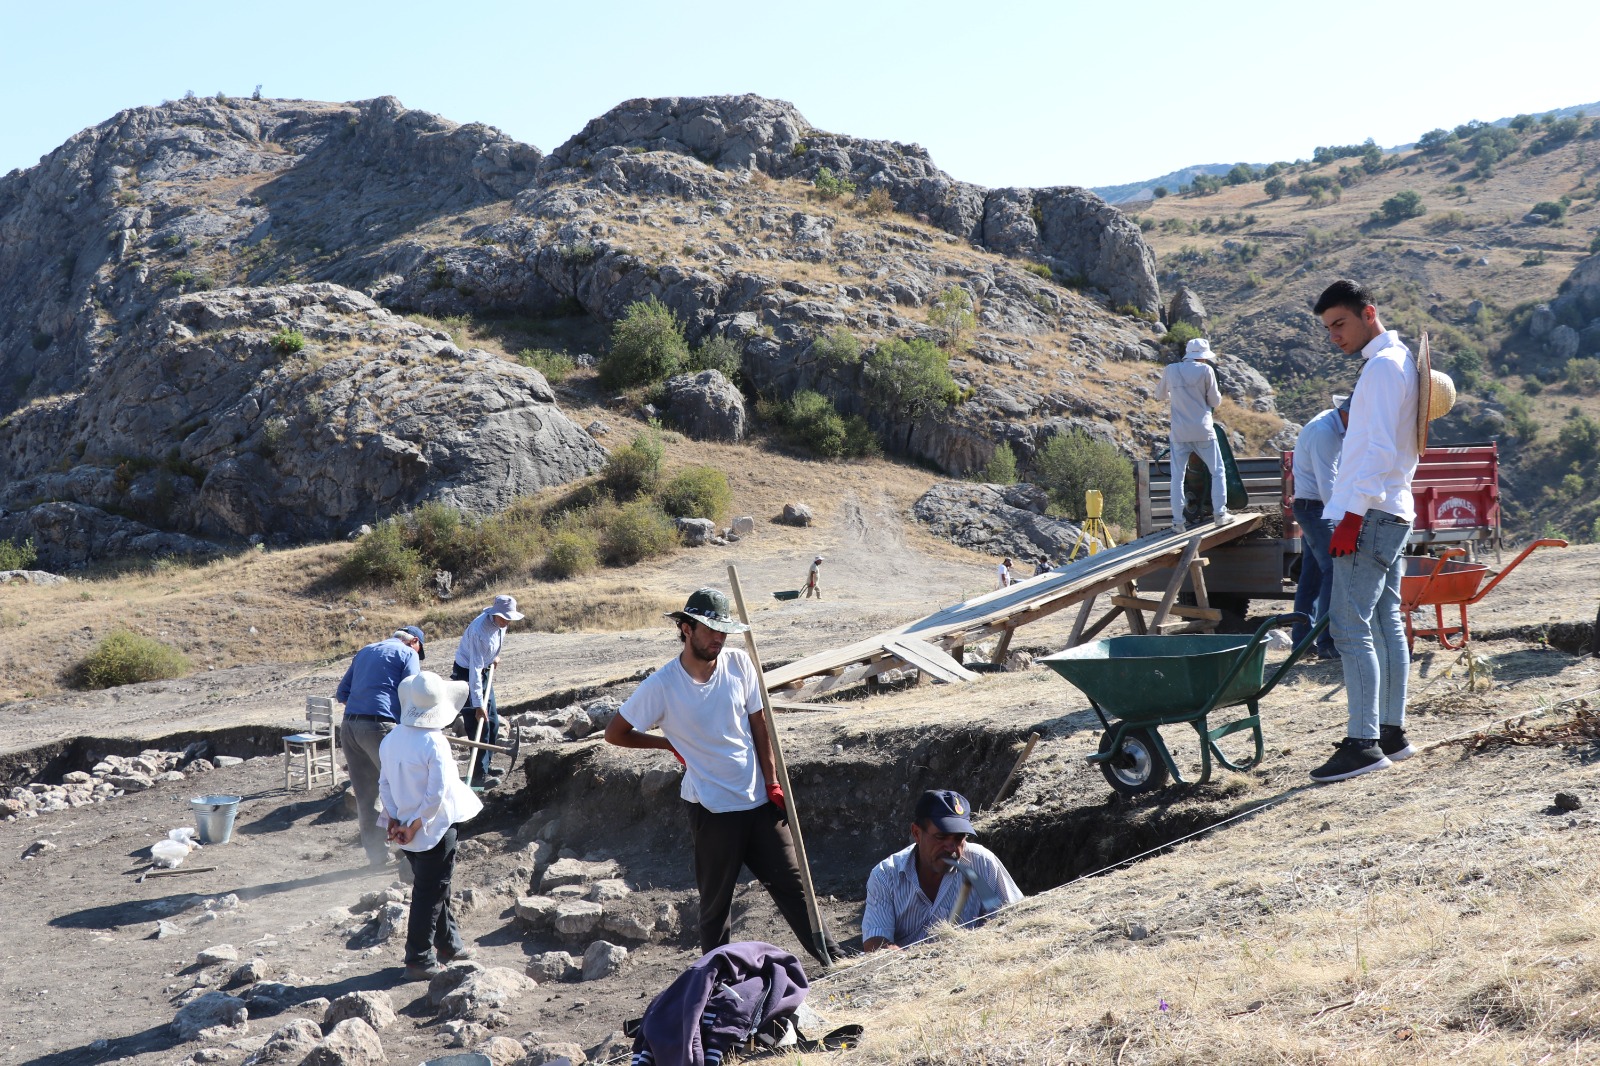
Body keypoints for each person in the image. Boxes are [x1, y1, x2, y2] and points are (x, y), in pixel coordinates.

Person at [603, 587, 835, 967]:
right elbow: (615, 733)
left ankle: (831, 958)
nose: (718, 638)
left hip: (760, 801)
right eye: (710, 629)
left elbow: (760, 726)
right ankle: (714, 982)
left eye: (723, 630)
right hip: (711, 810)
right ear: (685, 628)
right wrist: (666, 746)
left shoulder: (739, 663)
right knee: (716, 906)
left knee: (795, 887)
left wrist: (772, 781)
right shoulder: (661, 686)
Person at [1309, 280, 1420, 783]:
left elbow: (1374, 450)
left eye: (1340, 324)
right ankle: (1391, 733)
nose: (1334, 336)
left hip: (1370, 513)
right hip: (1392, 508)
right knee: (1385, 622)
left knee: (1349, 627)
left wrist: (1351, 517)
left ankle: (1363, 742)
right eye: (1328, 328)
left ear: (1368, 313)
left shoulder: (1379, 369)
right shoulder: (1401, 362)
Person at [379, 670, 483, 979]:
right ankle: (419, 958)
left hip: (406, 827)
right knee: (429, 891)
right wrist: (415, 824)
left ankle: (448, 943)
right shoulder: (434, 743)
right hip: (432, 828)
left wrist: (397, 818)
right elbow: (436, 793)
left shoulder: (391, 738)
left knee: (437, 886)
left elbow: (384, 784)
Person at [861, 789, 1022, 952]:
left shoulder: (982, 863)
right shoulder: (885, 875)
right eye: (941, 837)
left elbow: (1013, 918)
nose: (951, 847)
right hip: (906, 971)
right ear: (916, 833)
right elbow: (875, 941)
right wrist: (914, 967)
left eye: (959, 838)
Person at [334, 625, 425, 866]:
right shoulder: (408, 654)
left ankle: (377, 857)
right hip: (380, 727)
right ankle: (412, 852)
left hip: (350, 728)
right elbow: (412, 694)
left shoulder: (365, 651)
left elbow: (342, 693)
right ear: (414, 641)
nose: (419, 655)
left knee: (366, 797)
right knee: (403, 788)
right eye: (420, 650)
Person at [1290, 396, 1350, 659]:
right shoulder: (1325, 433)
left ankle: (1303, 644)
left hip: (1312, 506)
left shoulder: (1329, 426)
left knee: (1312, 577)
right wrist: (1340, 522)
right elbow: (1328, 484)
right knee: (1333, 571)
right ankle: (1326, 642)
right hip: (1318, 508)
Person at [1155, 337, 1228, 528]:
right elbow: (1214, 402)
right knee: (1217, 472)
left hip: (1179, 433)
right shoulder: (1206, 370)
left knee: (1177, 477)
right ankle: (1220, 514)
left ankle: (1178, 522)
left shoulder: (1171, 369)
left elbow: (1159, 395)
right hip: (1203, 430)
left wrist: (1177, 395)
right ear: (1203, 357)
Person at [451, 594, 522, 787]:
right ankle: (477, 780)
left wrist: (494, 658)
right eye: (503, 617)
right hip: (467, 675)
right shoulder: (479, 631)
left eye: (509, 618)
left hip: (484, 671)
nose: (506, 621)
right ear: (494, 613)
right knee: (478, 724)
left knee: (493, 722)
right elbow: (474, 668)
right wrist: (477, 704)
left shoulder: (502, 624)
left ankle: (486, 765)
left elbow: (496, 644)